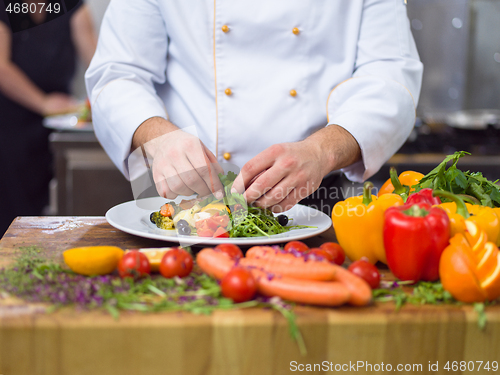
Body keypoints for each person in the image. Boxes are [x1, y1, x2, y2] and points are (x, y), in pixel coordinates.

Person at [86, 0, 423, 214]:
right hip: (188, 201)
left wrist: (322, 151)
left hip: (315, 200)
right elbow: (117, 73)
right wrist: (158, 137)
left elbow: (391, 76)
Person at [0, 0, 97, 235]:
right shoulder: (7, 7)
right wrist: (42, 103)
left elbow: (97, 63)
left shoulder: (69, 6)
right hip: (10, 125)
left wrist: (102, 100)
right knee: (12, 210)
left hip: (58, 125)